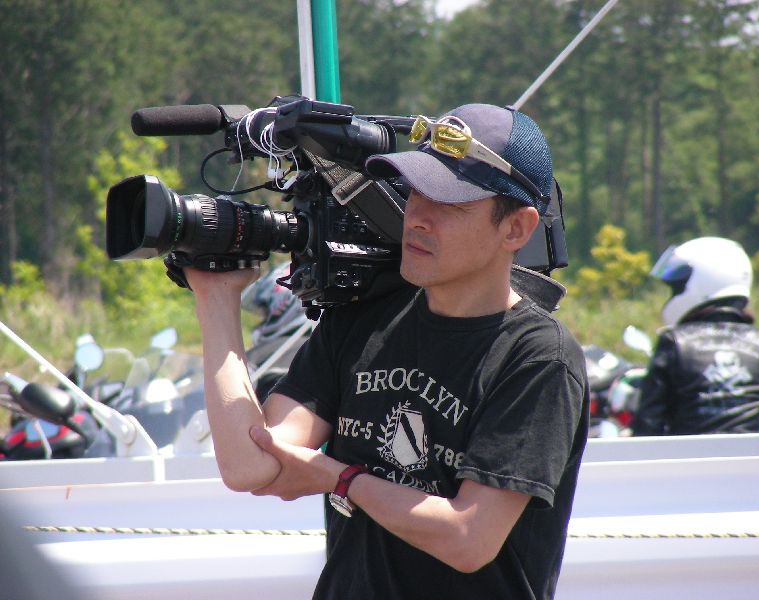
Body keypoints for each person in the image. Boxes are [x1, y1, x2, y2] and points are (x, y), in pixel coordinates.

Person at [182, 103, 589, 600]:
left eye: (450, 203)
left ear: (516, 229)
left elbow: (468, 538)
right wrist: (216, 297)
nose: (418, 218)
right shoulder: (363, 319)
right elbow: (252, 464)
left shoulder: (538, 358)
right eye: (416, 191)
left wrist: (340, 478)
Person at [631, 236, 759, 436]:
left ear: (704, 283)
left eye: (677, 286)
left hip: (689, 456)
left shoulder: (675, 343)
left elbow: (648, 424)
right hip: (750, 456)